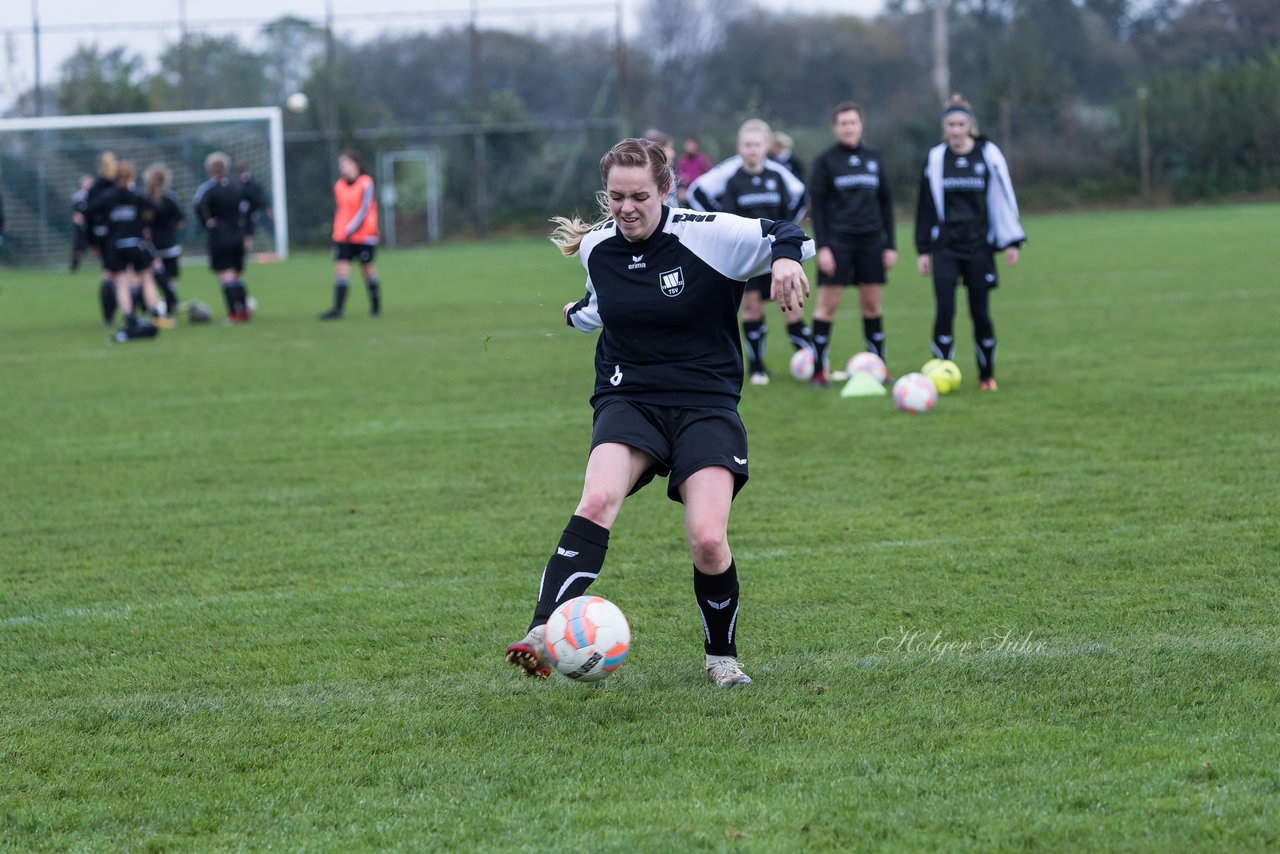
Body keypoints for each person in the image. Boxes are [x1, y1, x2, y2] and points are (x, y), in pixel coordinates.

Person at [503, 137, 814, 688]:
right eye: (616, 197)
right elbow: (604, 302)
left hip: (705, 403)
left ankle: (722, 658)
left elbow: (786, 231)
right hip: (630, 397)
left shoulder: (707, 234)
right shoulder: (600, 246)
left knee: (708, 539)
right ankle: (540, 632)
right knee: (597, 498)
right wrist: (579, 315)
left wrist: (785, 260)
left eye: (639, 196)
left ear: (665, 190)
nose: (626, 208)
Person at [687, 118, 813, 386]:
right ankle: (757, 367)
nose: (752, 149)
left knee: (792, 307)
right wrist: (718, 224)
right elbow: (700, 195)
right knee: (752, 308)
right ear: (739, 147)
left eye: (757, 144)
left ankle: (812, 362)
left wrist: (788, 225)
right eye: (747, 144)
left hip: (779, 253)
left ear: (767, 146)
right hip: (747, 254)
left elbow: (802, 195)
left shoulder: (777, 174)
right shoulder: (733, 179)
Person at [914, 94, 1026, 392]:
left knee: (980, 313)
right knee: (945, 311)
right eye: (951, 124)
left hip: (979, 247)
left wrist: (1011, 240)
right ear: (945, 127)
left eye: (961, 123)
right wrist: (923, 249)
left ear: (970, 126)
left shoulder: (988, 154)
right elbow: (925, 205)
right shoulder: (937, 158)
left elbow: (1004, 198)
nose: (956, 130)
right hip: (945, 248)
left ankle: (986, 375)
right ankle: (941, 371)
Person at [808, 101, 897, 387]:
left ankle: (879, 367)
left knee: (871, 305)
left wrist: (890, 244)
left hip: (871, 241)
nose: (848, 127)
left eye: (853, 122)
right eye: (843, 123)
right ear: (836, 127)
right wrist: (823, 247)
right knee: (827, 306)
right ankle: (819, 371)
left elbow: (886, 203)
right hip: (837, 242)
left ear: (861, 124)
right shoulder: (825, 162)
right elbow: (818, 208)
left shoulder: (874, 158)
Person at [87, 160, 168, 342]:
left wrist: (106, 220)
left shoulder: (108, 196)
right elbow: (157, 208)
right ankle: (155, 313)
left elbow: (90, 210)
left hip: (115, 245)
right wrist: (143, 221)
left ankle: (129, 317)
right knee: (146, 278)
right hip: (134, 243)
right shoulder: (136, 196)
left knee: (122, 282)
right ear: (132, 176)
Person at [193, 151, 253, 323]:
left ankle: (233, 314)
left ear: (209, 169)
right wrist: (244, 222)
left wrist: (207, 221)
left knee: (226, 276)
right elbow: (251, 201)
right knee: (237, 275)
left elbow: (197, 204)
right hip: (238, 235)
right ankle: (244, 311)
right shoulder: (236, 187)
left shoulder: (208, 189)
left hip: (220, 236)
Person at [319, 151, 381, 320]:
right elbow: (342, 210)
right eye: (341, 164)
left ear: (356, 164)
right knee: (341, 271)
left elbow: (364, 209)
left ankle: (376, 308)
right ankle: (338, 309)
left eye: (345, 163)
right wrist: (340, 230)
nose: (342, 167)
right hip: (343, 236)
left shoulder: (366, 182)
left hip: (364, 235)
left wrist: (351, 228)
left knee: (367, 270)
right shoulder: (339, 185)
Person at [144, 163, 185, 321]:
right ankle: (170, 305)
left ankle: (153, 306)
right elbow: (180, 221)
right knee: (170, 277)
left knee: (151, 277)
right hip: (169, 243)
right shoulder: (170, 198)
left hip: (150, 244)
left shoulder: (145, 198)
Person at [87, 153, 120, 326]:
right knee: (125, 276)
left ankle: (109, 317)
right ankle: (133, 314)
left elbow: (88, 216)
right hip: (121, 235)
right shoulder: (118, 186)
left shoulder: (95, 188)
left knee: (109, 275)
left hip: (103, 236)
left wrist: (92, 241)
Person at [236, 162, 269, 254]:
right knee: (241, 234)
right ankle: (241, 251)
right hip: (239, 215)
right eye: (242, 172)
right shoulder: (236, 186)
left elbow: (259, 199)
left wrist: (266, 208)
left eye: (246, 171)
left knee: (249, 234)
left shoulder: (254, 185)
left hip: (251, 214)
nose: (245, 174)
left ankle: (246, 252)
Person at [642, 129, 680, 207]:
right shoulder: (652, 178)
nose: (673, 153)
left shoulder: (668, 175)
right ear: (658, 151)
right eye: (669, 148)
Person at [676, 135, 712, 206]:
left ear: (696, 145)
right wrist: (681, 189)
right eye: (688, 144)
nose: (689, 147)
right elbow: (679, 176)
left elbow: (709, 175)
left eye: (691, 144)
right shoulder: (682, 159)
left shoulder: (702, 159)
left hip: (699, 191)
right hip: (686, 193)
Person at [70, 175, 93, 272]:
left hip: (92, 226)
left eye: (89, 183)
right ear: (81, 184)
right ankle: (74, 266)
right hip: (81, 227)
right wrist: (80, 223)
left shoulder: (94, 195)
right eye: (85, 182)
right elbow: (76, 214)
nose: (87, 185)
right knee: (78, 248)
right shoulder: (78, 197)